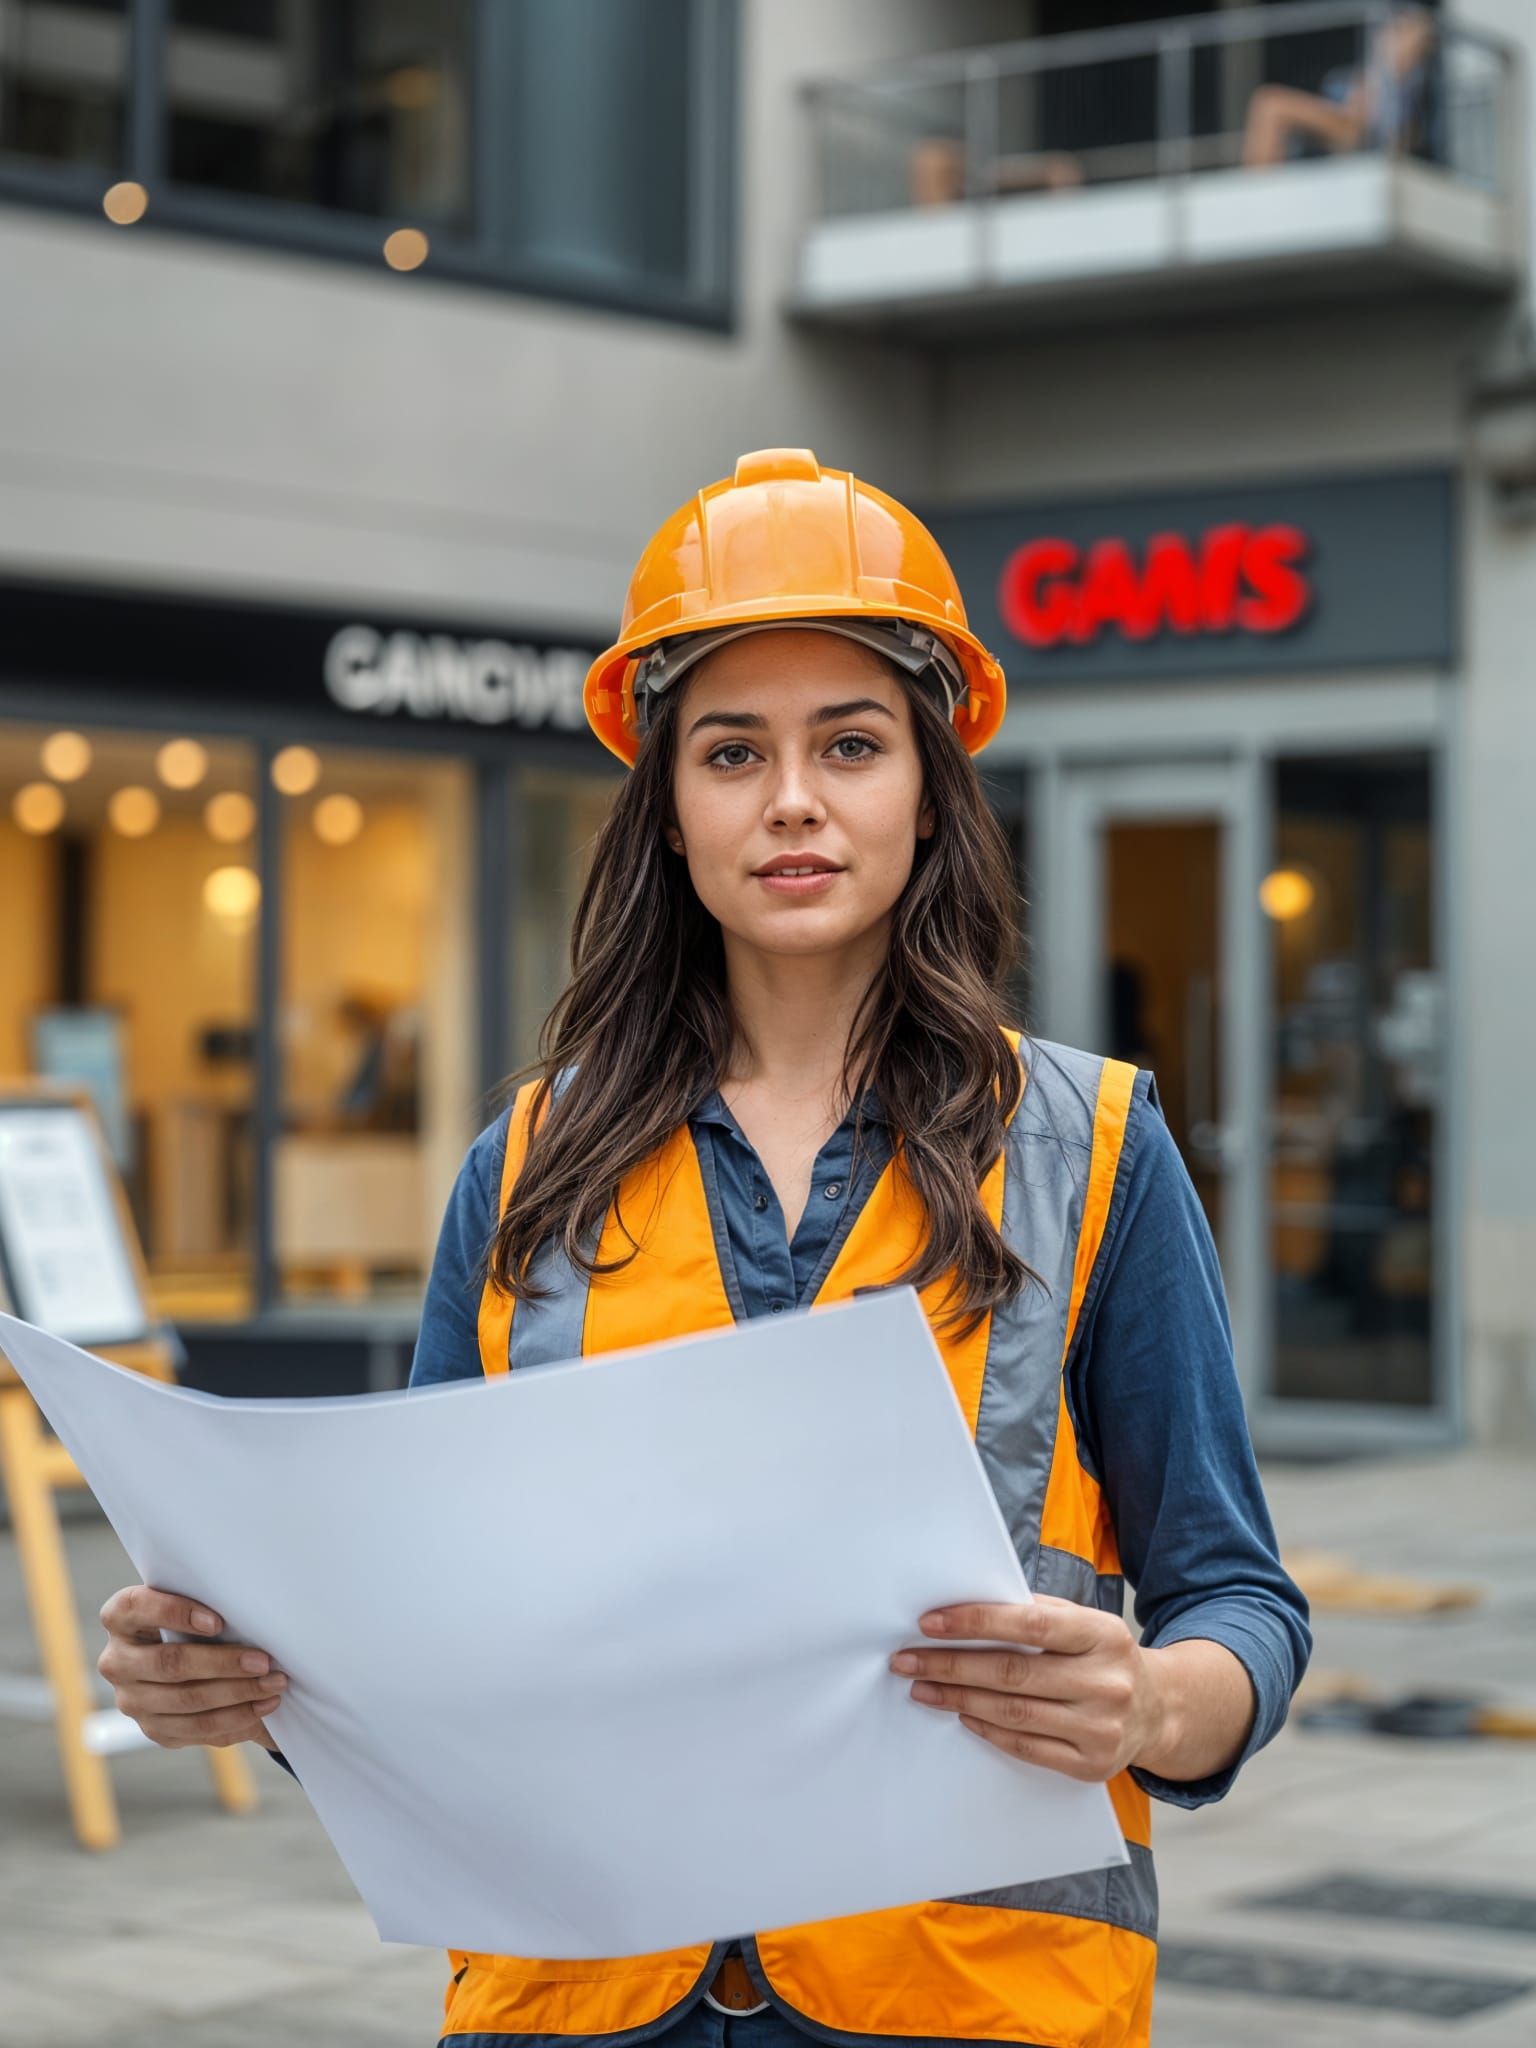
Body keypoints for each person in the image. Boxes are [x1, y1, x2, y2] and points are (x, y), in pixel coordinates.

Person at [96, 448, 1310, 2048]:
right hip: (579, 1997)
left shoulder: (1088, 1154)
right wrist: (246, 1686)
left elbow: (1241, 1603)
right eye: (733, 751)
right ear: (667, 809)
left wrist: (1151, 1702)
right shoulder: (528, 1170)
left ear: (931, 791)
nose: (793, 799)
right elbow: (407, 1647)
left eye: (852, 745)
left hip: (965, 2004)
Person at [1241, 4, 1439, 170]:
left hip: (1358, 130)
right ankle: (1259, 182)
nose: (1387, 35)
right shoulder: (1378, 73)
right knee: (1269, 105)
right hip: (1348, 122)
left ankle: (1256, 186)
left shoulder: (1409, 83)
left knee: (1271, 103)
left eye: (1400, 31)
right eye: (1395, 28)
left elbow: (1396, 132)